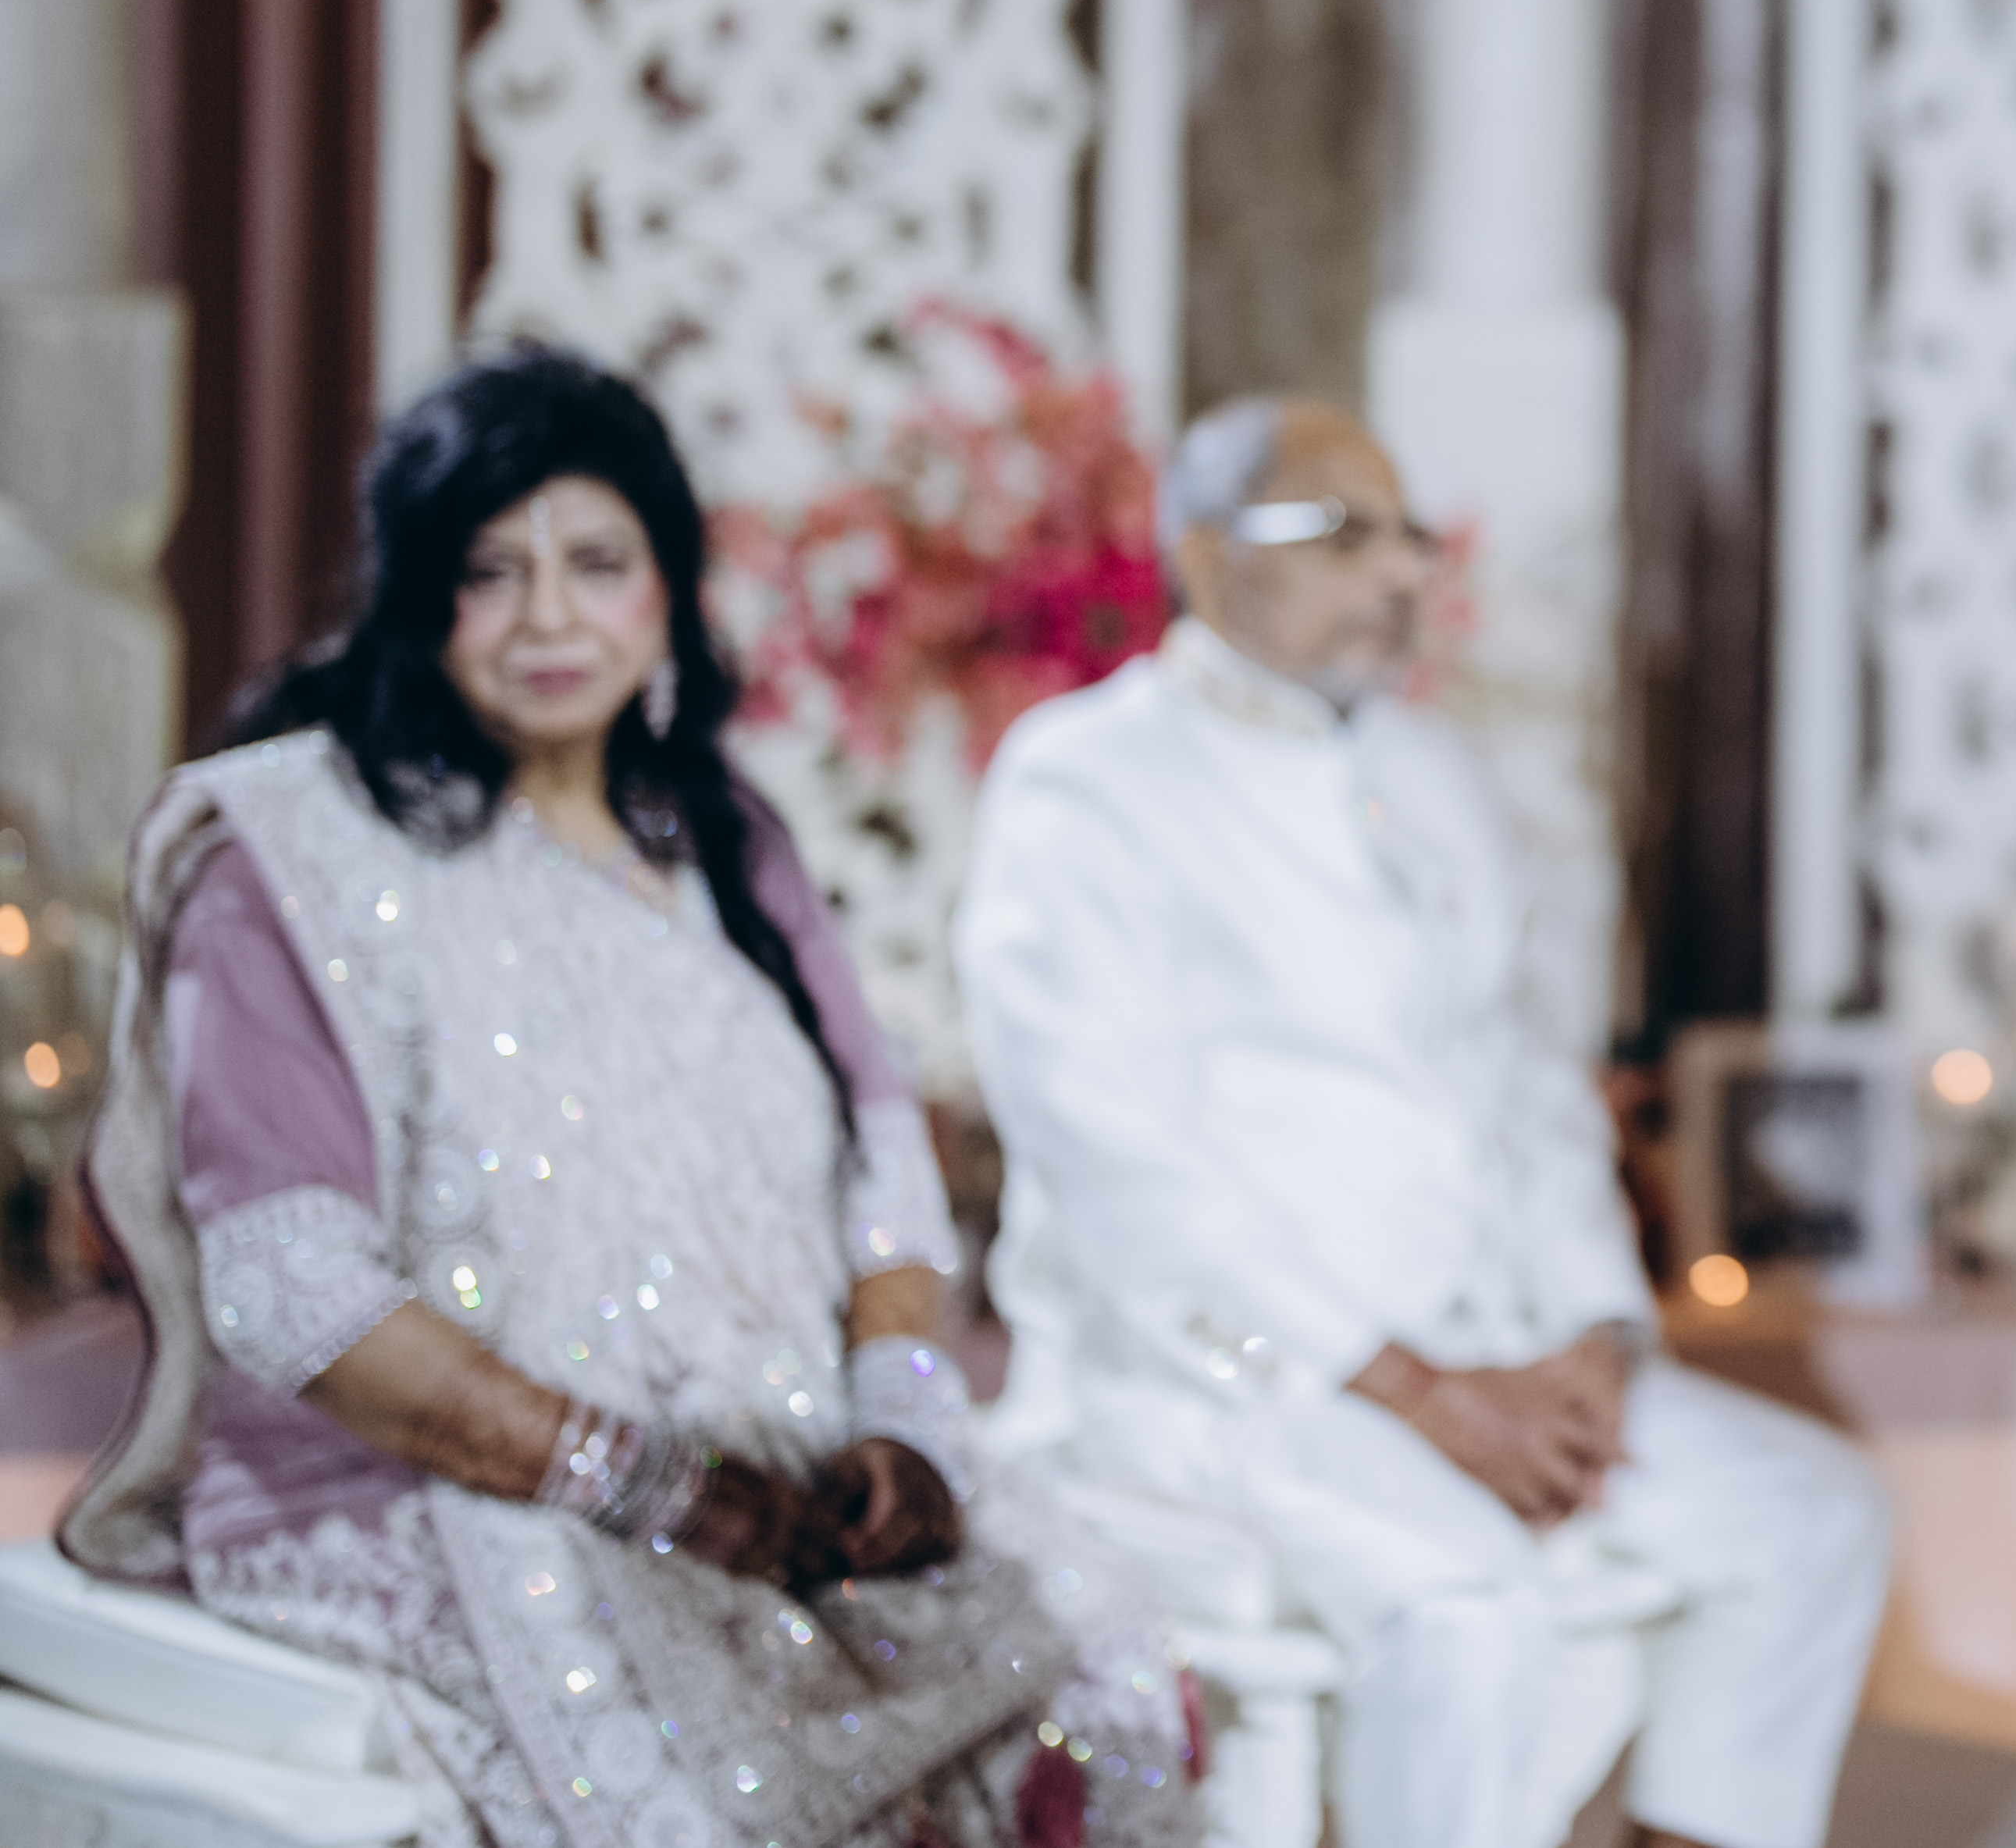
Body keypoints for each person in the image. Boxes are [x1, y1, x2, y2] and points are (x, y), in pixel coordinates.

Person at [69, 347, 1193, 1848]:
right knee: (725, 1776)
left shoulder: (723, 840)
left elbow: (885, 1178)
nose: (549, 618)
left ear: (666, 590)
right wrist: (651, 1485)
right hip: (455, 1483)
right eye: (490, 572)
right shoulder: (292, 855)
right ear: (414, 597)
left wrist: (904, 1431)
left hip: (787, 1464)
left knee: (1097, 1660)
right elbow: (294, 1291)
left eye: (597, 565)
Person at [956, 397, 1892, 1848]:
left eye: (1408, 538)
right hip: (1224, 1379)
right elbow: (1116, 1167)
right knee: (1470, 1606)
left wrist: (1595, 1340)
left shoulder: (1429, 773)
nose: (1398, 571)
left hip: (1496, 1347)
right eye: (1342, 534)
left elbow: (1529, 1092)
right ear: (1203, 557)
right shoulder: (1086, 780)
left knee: (1811, 1512)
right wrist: (1415, 1390)